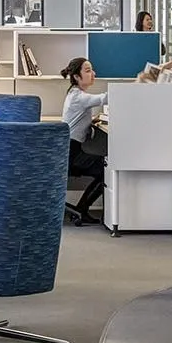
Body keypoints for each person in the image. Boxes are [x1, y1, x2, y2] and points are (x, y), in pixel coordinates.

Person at [61, 57, 108, 221]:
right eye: (87, 71)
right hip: (71, 153)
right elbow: (104, 98)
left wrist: (92, 120)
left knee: (104, 166)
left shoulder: (75, 94)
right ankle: (82, 209)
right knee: (106, 168)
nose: (93, 74)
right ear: (76, 77)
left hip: (68, 150)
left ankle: (82, 209)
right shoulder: (78, 97)